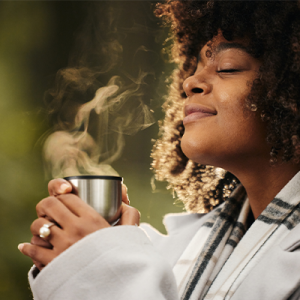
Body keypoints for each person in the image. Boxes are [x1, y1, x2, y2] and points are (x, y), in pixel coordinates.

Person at [18, 1, 300, 299]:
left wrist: (105, 269)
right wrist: (95, 252)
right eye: (193, 67)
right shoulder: (176, 252)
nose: (191, 81)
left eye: (227, 68)